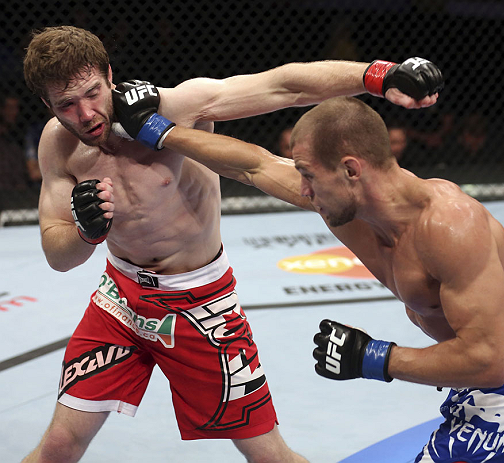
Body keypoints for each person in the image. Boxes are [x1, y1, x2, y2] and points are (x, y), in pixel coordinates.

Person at [21, 24, 441, 462]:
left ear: (110, 74)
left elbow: (282, 85)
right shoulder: (58, 144)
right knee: (59, 444)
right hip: (120, 300)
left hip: (200, 305)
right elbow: (58, 253)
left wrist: (378, 75)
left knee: (268, 455)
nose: (86, 114)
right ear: (48, 105)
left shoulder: (175, 106)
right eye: (67, 105)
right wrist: (85, 232)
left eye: (92, 93)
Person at [114, 94, 504, 462]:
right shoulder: (348, 204)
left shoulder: (451, 227)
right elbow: (253, 165)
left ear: (351, 169)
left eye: (309, 175)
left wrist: (373, 358)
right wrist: (160, 131)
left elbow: (490, 362)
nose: (303, 189)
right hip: (472, 388)